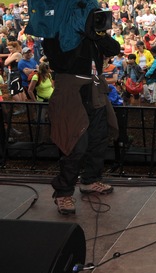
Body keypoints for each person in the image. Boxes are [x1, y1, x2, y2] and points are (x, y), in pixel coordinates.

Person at [43, 11, 122, 215]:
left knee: (98, 139)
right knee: (75, 144)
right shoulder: (58, 35)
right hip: (71, 94)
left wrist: (97, 34)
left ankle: (90, 180)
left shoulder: (94, 35)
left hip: (94, 91)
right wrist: (80, 34)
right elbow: (62, 63)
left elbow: (114, 48)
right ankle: (63, 193)